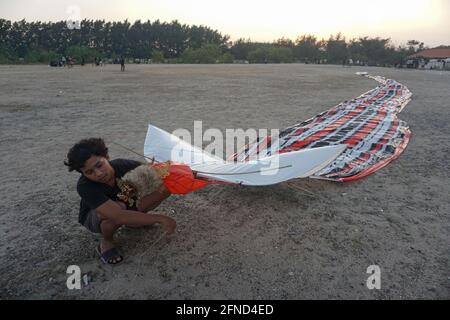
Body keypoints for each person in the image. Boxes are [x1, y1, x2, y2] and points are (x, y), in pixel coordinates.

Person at [64, 138, 176, 265]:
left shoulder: (123, 165)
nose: (99, 173)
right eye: (89, 172)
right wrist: (160, 218)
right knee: (116, 211)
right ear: (83, 174)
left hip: (126, 206)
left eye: (99, 165)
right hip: (97, 217)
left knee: (166, 188)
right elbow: (117, 215)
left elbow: (149, 173)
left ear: (107, 157)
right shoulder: (84, 186)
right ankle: (106, 241)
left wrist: (158, 169)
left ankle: (134, 222)